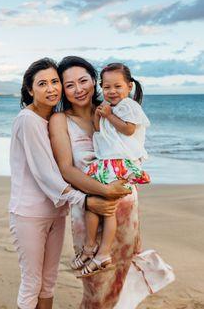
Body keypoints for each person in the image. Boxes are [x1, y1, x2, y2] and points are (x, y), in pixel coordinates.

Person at [49, 56, 174, 309]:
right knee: (97, 287)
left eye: (83, 81)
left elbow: (133, 141)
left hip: (125, 204)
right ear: (63, 89)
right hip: (92, 205)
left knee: (121, 275)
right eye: (69, 84)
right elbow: (66, 169)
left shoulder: (114, 108)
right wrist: (103, 191)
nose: (79, 89)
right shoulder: (60, 119)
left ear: (94, 82)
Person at [9, 58, 130, 309]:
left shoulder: (49, 117)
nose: (51, 88)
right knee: (32, 282)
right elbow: (47, 173)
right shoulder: (28, 120)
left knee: (49, 281)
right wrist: (87, 198)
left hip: (57, 209)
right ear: (30, 90)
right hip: (30, 212)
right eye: (43, 84)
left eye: (54, 82)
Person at [77, 62, 151, 277]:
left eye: (117, 86)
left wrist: (109, 115)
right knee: (93, 206)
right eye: (106, 87)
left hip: (120, 162)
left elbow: (128, 130)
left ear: (129, 86)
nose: (111, 91)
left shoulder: (129, 106)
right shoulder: (108, 108)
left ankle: (102, 252)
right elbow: (100, 131)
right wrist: (99, 116)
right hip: (106, 162)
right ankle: (91, 247)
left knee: (107, 209)